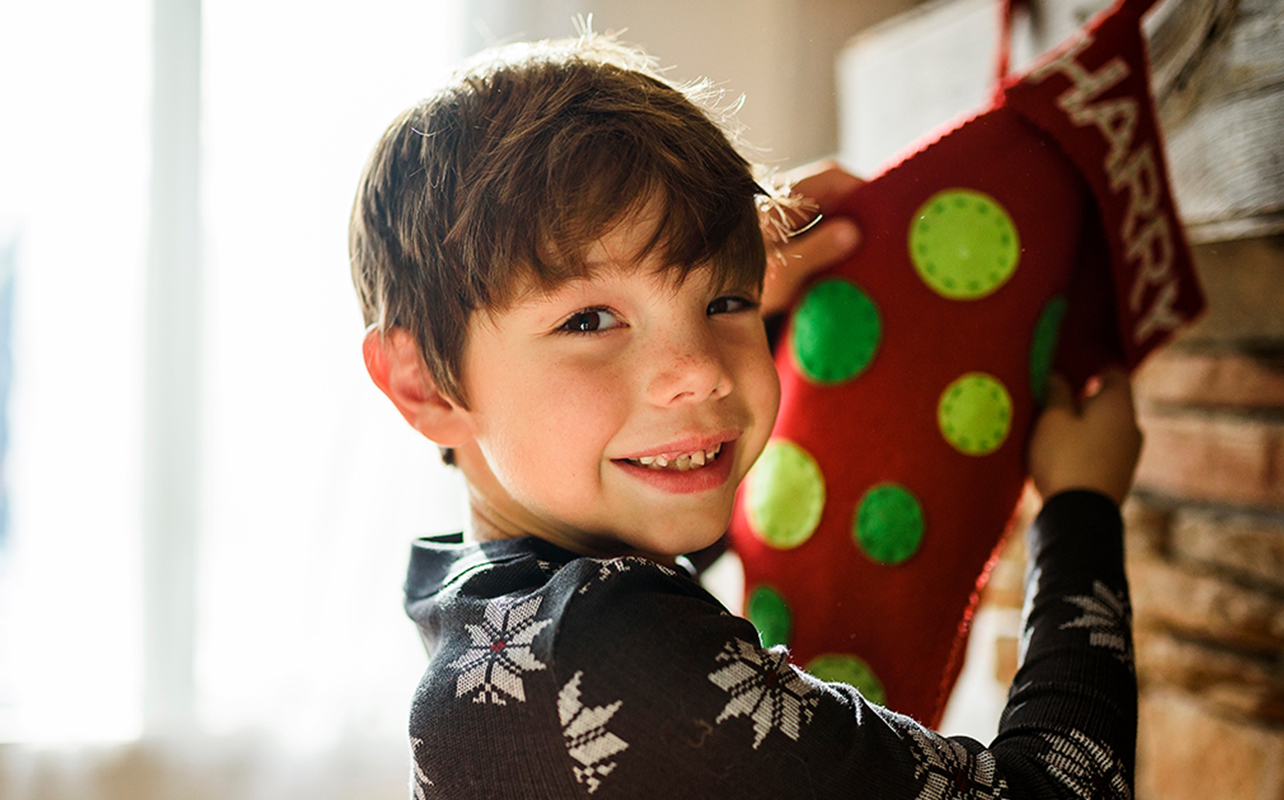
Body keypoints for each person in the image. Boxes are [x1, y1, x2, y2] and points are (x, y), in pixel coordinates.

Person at [351, 31, 1142, 799]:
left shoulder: (481, 607)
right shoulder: (600, 649)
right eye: (590, 320)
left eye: (724, 300)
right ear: (424, 384)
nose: (700, 371)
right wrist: (1080, 509)